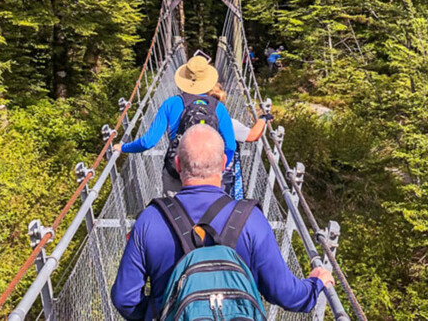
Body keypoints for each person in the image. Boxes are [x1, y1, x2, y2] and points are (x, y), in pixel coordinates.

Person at [111, 125, 334, 321]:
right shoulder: (251, 220)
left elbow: (125, 298)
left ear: (177, 164)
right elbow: (287, 295)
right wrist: (316, 284)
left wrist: (158, 311)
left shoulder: (150, 220)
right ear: (225, 164)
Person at [114, 55, 236, 194]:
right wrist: (220, 168)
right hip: (209, 174)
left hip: (177, 171)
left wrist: (123, 148)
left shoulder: (170, 103)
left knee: (173, 214)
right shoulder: (218, 107)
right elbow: (230, 146)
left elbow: (148, 142)